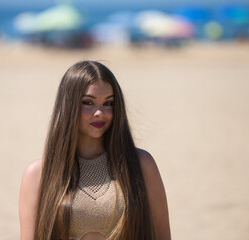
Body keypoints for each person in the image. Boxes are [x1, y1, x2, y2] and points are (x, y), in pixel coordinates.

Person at [19, 60, 171, 240]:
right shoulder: (38, 174)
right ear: (68, 105)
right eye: (88, 102)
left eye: (108, 103)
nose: (100, 112)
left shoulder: (141, 164)